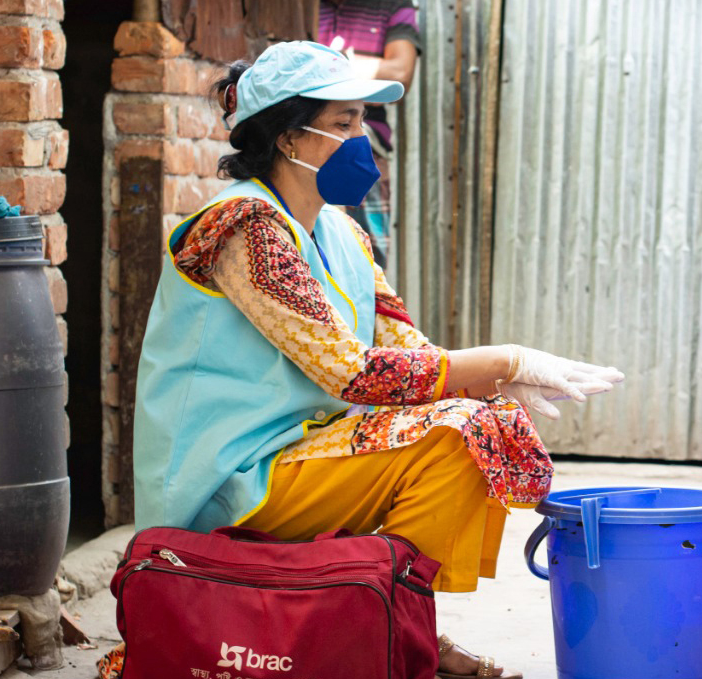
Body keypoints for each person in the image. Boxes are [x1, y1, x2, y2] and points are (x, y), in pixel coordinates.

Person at [105, 41, 623, 679]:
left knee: (479, 426)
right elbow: (349, 371)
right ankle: (388, 624)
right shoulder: (243, 227)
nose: (362, 141)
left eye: (363, 123)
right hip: (232, 474)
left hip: (306, 452)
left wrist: (499, 387)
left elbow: (404, 346)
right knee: (460, 434)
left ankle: (397, 619)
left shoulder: (341, 231)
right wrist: (503, 359)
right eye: (344, 124)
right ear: (288, 137)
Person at [318, 0, 421, 267]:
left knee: (366, 263)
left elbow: (400, 72)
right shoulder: (302, 9)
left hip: (369, 146)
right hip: (308, 137)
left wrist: (323, 64)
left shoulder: (392, 6)